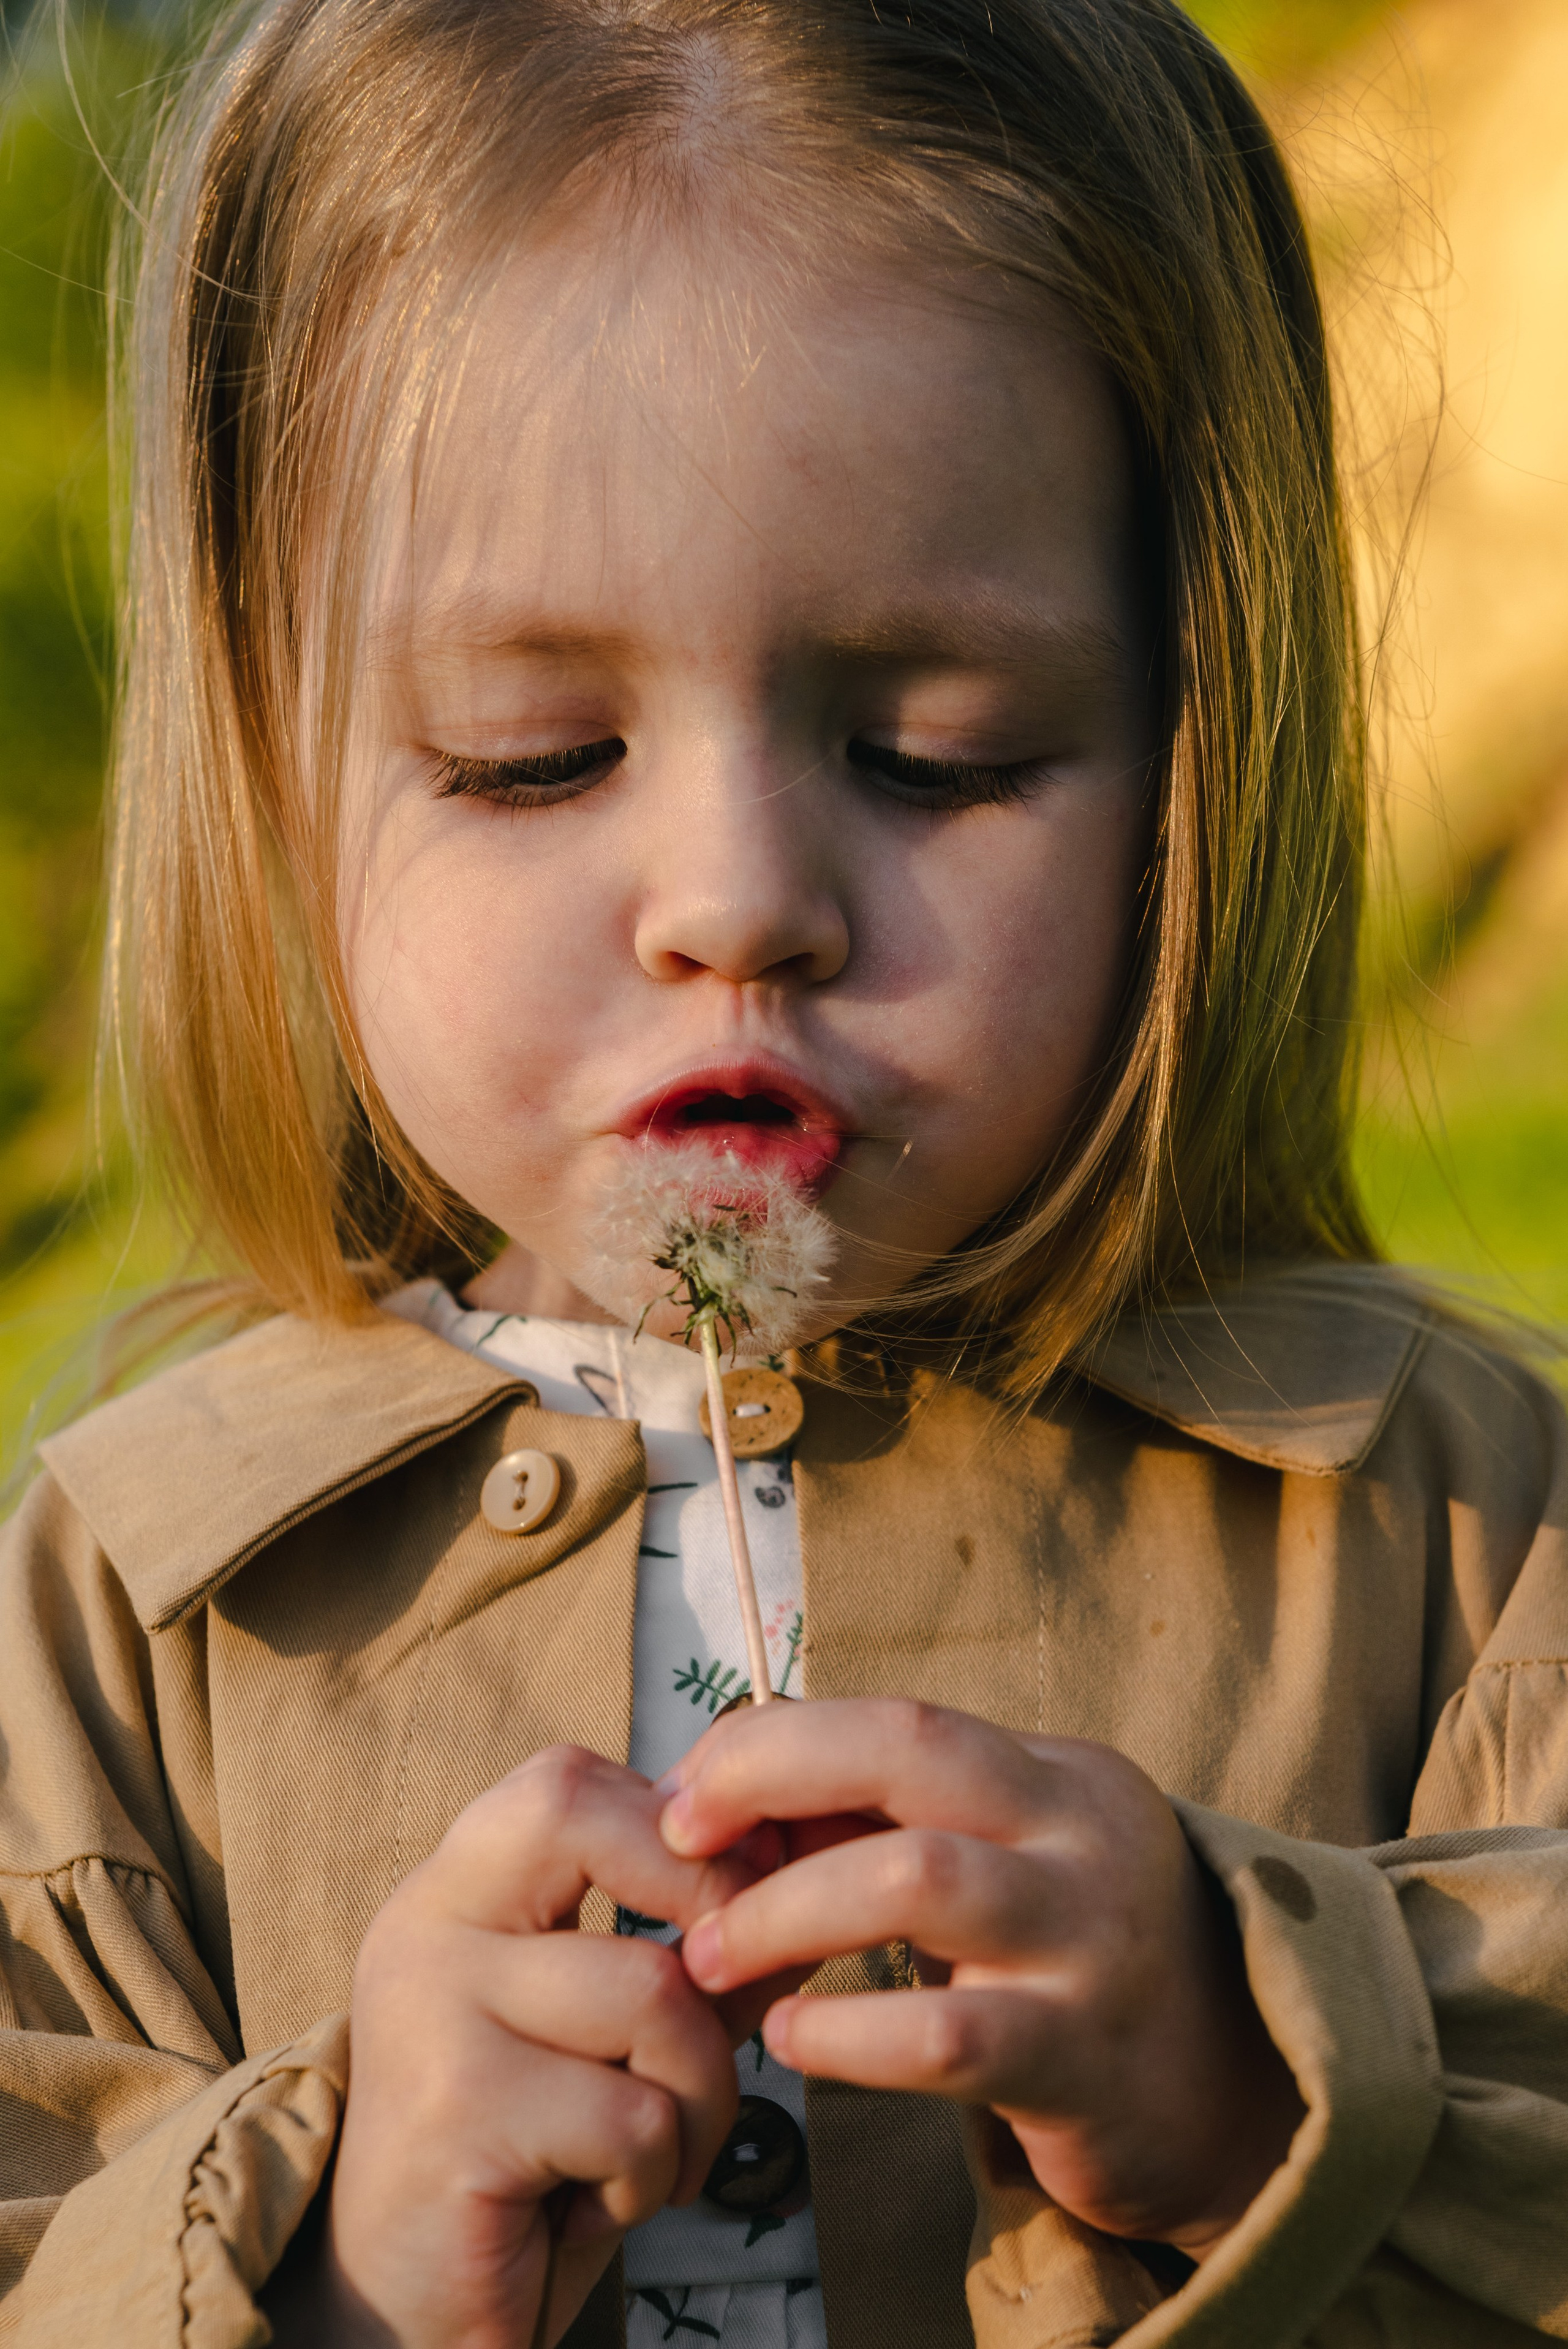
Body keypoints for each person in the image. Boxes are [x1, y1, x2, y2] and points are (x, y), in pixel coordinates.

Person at [3, 0, 1567, 2342]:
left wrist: (1262, 2072)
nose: (738, 895)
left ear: (1188, 758)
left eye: (936, 753)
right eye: (536, 760)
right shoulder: (126, 1602)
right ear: (274, 765)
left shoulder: (1468, 1524)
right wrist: (323, 2257)